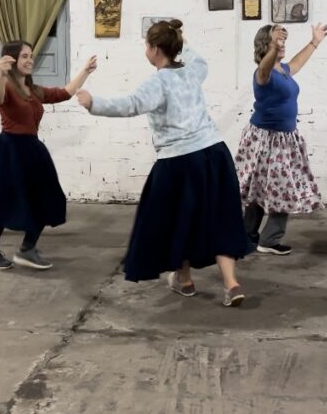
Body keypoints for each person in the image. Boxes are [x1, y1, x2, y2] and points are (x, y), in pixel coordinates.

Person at [77, 19, 253, 307]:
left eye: (147, 45)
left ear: (156, 49)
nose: (146, 50)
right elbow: (198, 58)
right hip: (214, 154)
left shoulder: (158, 82)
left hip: (180, 161)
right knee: (219, 218)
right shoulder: (192, 71)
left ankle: (184, 279)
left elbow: (131, 104)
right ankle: (231, 284)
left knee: (177, 220)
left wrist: (93, 102)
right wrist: (180, 35)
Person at [0, 41, 97, 270]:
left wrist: (85, 72)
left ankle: (27, 250)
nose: (30, 60)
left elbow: (64, 93)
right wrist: (0, 74)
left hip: (32, 149)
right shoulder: (7, 86)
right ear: (12, 60)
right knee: (5, 201)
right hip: (9, 151)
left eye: (31, 56)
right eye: (24, 56)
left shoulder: (33, 89)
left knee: (47, 198)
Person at [235, 23, 327, 256]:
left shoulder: (283, 70)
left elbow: (297, 62)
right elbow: (264, 69)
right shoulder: (262, 74)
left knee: (277, 188)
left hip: (284, 139)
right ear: (264, 46)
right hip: (265, 139)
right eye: (276, 41)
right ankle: (261, 239)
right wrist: (273, 49)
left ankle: (254, 237)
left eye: (283, 41)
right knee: (274, 190)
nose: (282, 44)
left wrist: (314, 42)